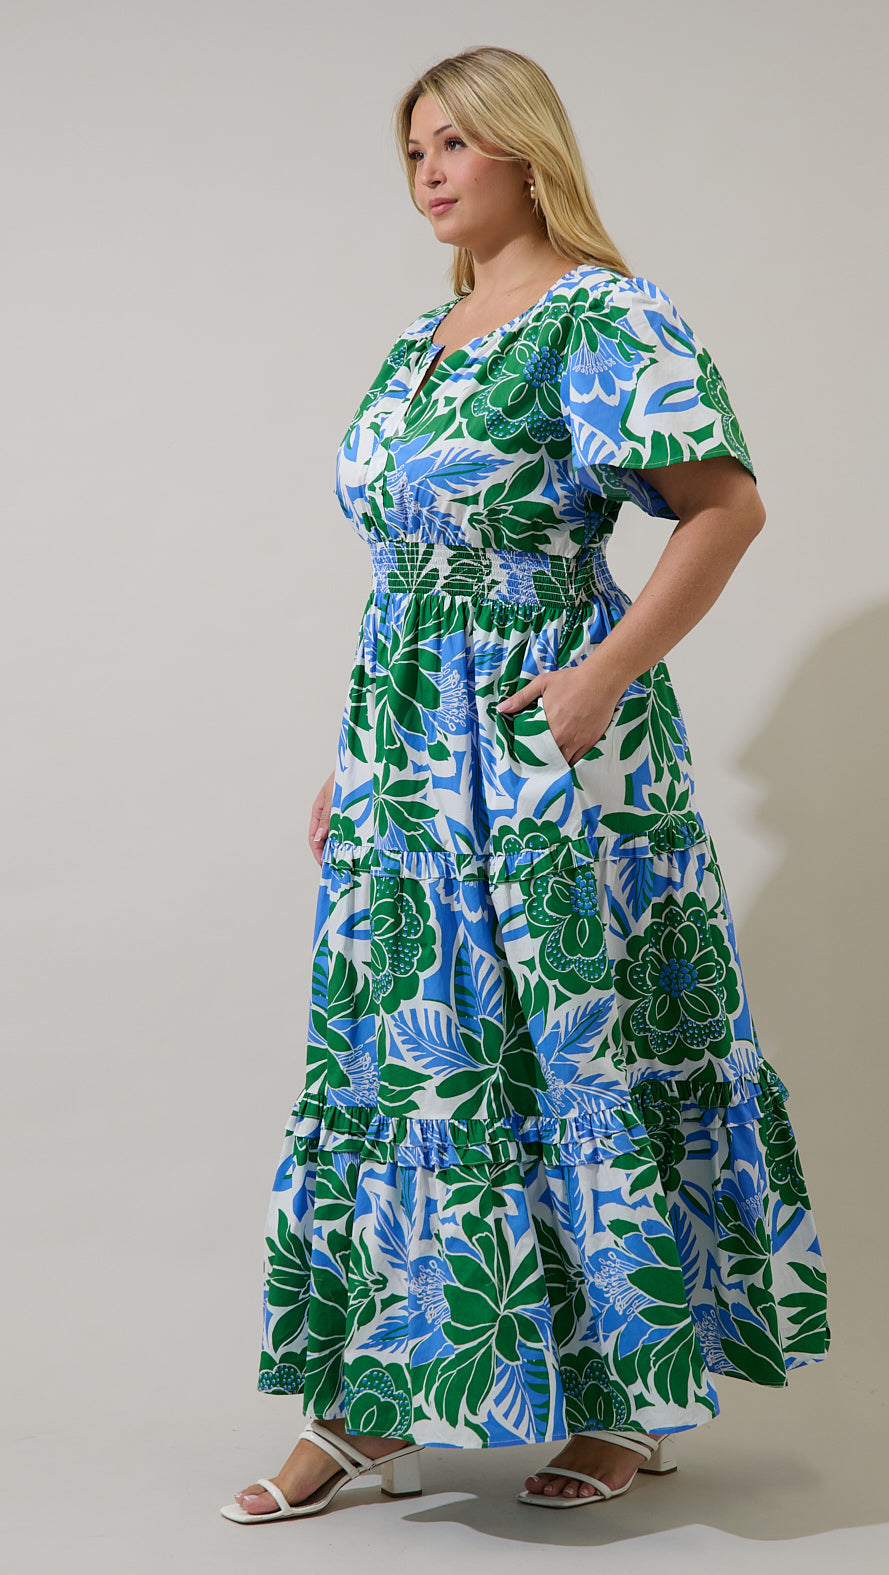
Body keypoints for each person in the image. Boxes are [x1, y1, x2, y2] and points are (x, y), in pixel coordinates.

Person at [222, 44, 830, 1525]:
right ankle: (367, 1413)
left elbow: (724, 507)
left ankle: (628, 1400)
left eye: (452, 143)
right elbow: (411, 572)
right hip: (409, 750)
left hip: (545, 741)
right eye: (410, 150)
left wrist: (600, 677)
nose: (426, 172)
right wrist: (361, 758)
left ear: (522, 149)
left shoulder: (607, 317)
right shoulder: (420, 342)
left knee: (576, 1039)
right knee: (408, 1057)